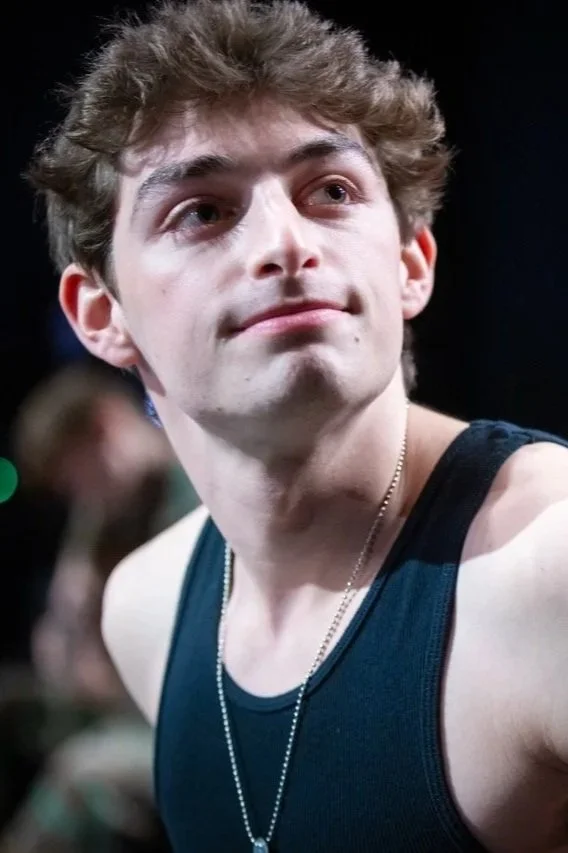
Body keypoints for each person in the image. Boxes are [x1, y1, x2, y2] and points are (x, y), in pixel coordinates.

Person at [26, 1, 567, 851]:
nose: (284, 243)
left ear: (410, 260)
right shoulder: (146, 606)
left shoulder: (547, 569)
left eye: (332, 192)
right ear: (102, 313)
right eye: (201, 211)